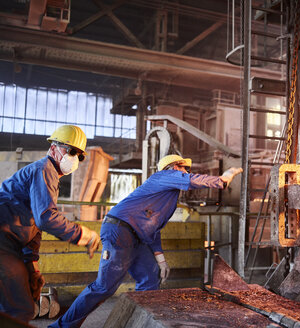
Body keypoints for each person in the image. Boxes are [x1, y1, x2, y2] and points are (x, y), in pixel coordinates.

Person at [49, 154, 242, 328]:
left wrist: (161, 259)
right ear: (175, 167)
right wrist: (223, 179)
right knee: (103, 287)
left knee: (150, 278)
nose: (186, 173)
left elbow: (153, 229)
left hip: (135, 237)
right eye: (185, 169)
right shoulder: (162, 177)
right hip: (119, 230)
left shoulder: (167, 198)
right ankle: (61, 327)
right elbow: (191, 180)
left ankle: (138, 324)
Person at [0, 125, 101, 323]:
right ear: (53, 148)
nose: (73, 158)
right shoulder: (44, 169)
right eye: (70, 151)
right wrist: (82, 234)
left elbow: (33, 227)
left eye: (79, 155)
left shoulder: (50, 176)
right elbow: (45, 218)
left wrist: (33, 267)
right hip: (2, 241)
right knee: (20, 309)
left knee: (19, 307)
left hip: (9, 244)